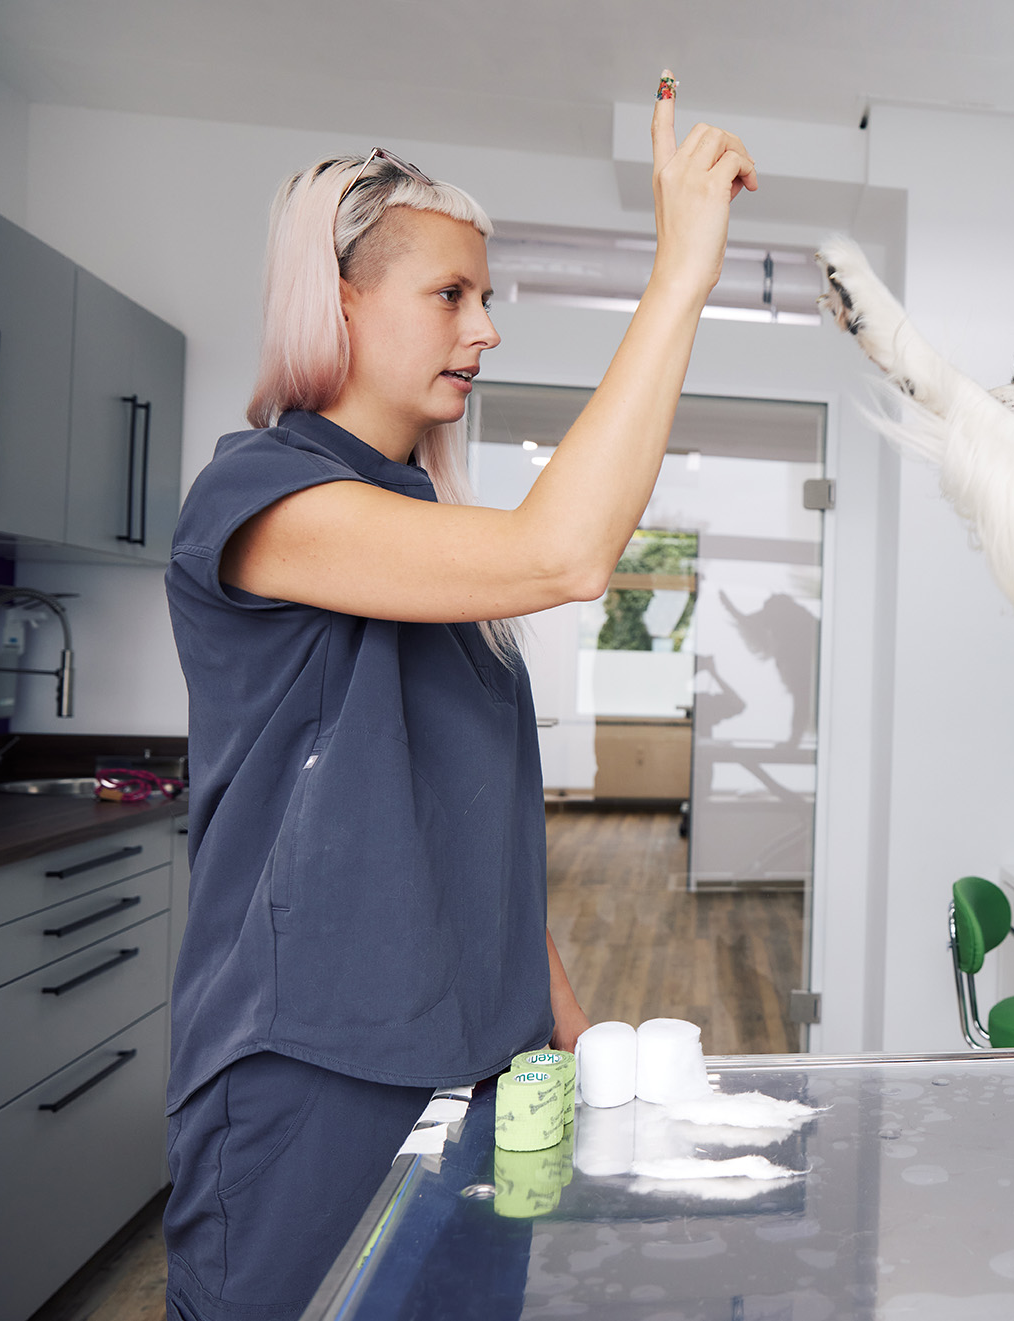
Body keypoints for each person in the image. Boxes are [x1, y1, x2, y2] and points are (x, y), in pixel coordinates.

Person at [162, 78, 755, 1321]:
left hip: (484, 1059)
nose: (483, 330)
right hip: (316, 1069)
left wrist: (571, 1033)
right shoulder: (260, 497)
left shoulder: (425, 527)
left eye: (484, 299)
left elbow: (471, 824)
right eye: (451, 295)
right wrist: (680, 275)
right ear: (338, 300)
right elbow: (565, 553)